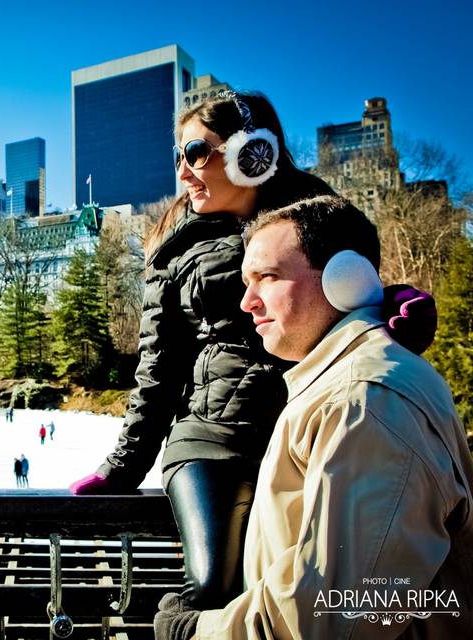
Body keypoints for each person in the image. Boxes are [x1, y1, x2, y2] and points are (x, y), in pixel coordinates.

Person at [69, 91, 436, 610]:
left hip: (309, 429)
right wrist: (122, 468)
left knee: (331, 583)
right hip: (213, 441)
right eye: (177, 156)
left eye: (195, 151)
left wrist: (392, 305)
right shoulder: (173, 251)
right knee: (217, 584)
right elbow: (158, 370)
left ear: (252, 150)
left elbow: (348, 298)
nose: (183, 172)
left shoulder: (319, 221)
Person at [155, 195, 473, 639]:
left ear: (347, 278)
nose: (247, 302)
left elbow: (329, 617)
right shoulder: (340, 384)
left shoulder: (363, 402)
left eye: (267, 277)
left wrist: (196, 631)